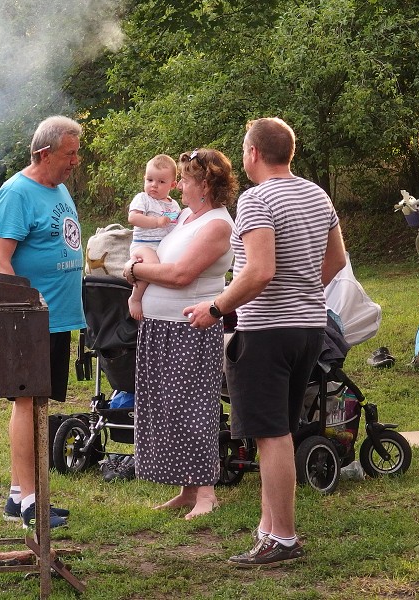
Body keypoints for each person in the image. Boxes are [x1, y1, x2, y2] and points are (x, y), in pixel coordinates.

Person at [184, 118, 347, 566]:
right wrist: (304, 294)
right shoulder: (317, 195)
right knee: (278, 432)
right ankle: (267, 529)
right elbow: (336, 260)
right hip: (310, 330)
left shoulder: (256, 200)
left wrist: (214, 309)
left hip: (266, 333)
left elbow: (259, 271)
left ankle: (284, 539)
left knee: (270, 435)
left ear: (253, 153)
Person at [122, 148, 237, 519]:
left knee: (194, 410)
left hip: (192, 328)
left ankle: (206, 493)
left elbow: (180, 275)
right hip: (160, 327)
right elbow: (155, 254)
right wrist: (136, 262)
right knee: (169, 410)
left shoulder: (218, 225)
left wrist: (135, 271)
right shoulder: (186, 216)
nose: (179, 186)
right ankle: (187, 489)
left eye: (185, 179)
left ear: (204, 185)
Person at [0, 115, 86, 529]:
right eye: (70, 153)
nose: (76, 161)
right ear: (44, 153)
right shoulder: (16, 194)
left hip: (58, 318)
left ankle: (17, 495)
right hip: (30, 320)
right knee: (26, 404)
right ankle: (31, 501)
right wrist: (27, 304)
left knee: (39, 403)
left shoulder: (58, 187)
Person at [126, 154, 181, 320]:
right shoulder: (143, 198)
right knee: (152, 266)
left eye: (161, 182)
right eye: (149, 180)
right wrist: (156, 222)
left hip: (162, 246)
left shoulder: (174, 204)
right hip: (144, 245)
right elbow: (133, 218)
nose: (154, 185)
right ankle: (135, 298)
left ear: (173, 184)